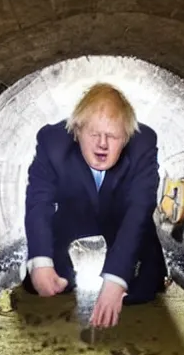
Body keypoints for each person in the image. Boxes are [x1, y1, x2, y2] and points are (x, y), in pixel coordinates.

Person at [21, 83, 168, 328]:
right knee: (43, 283)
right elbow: (38, 202)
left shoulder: (144, 144)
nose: (102, 144)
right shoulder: (51, 142)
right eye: (94, 134)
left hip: (120, 220)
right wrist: (41, 261)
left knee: (142, 291)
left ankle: (147, 274)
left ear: (127, 137)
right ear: (77, 131)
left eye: (112, 136)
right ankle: (56, 266)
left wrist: (116, 279)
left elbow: (139, 210)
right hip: (73, 216)